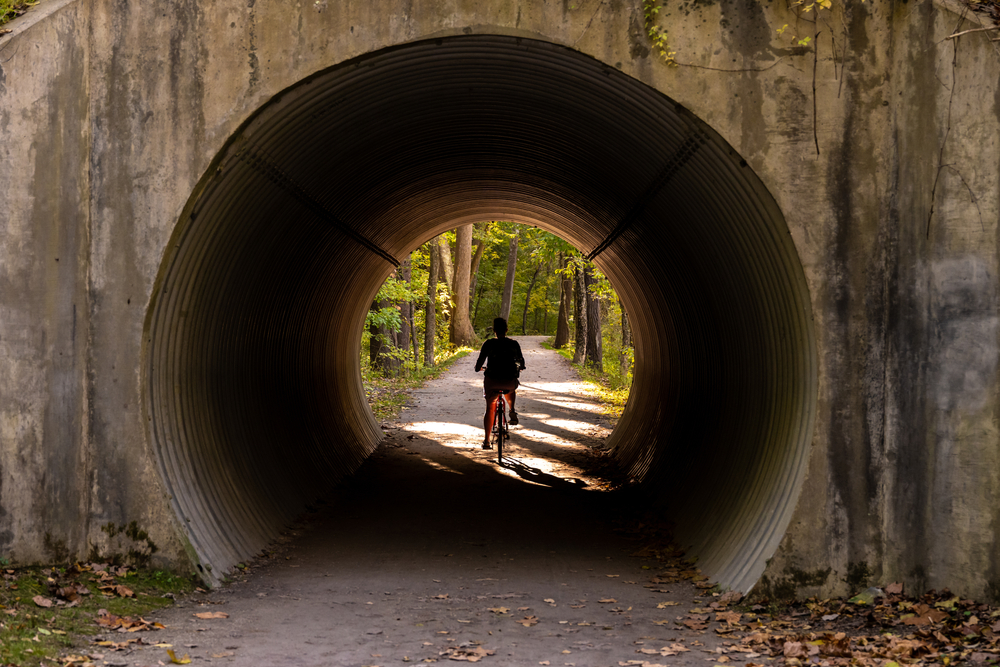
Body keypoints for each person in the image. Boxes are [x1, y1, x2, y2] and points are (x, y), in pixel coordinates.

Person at [474, 317, 526, 449]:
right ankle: (512, 410)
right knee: (511, 387)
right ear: (506, 330)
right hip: (508, 381)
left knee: (490, 407)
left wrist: (480, 368)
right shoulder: (514, 344)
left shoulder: (488, 344)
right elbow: (522, 363)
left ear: (494, 331)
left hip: (492, 381)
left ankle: (486, 441)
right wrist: (518, 368)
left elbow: (478, 365)